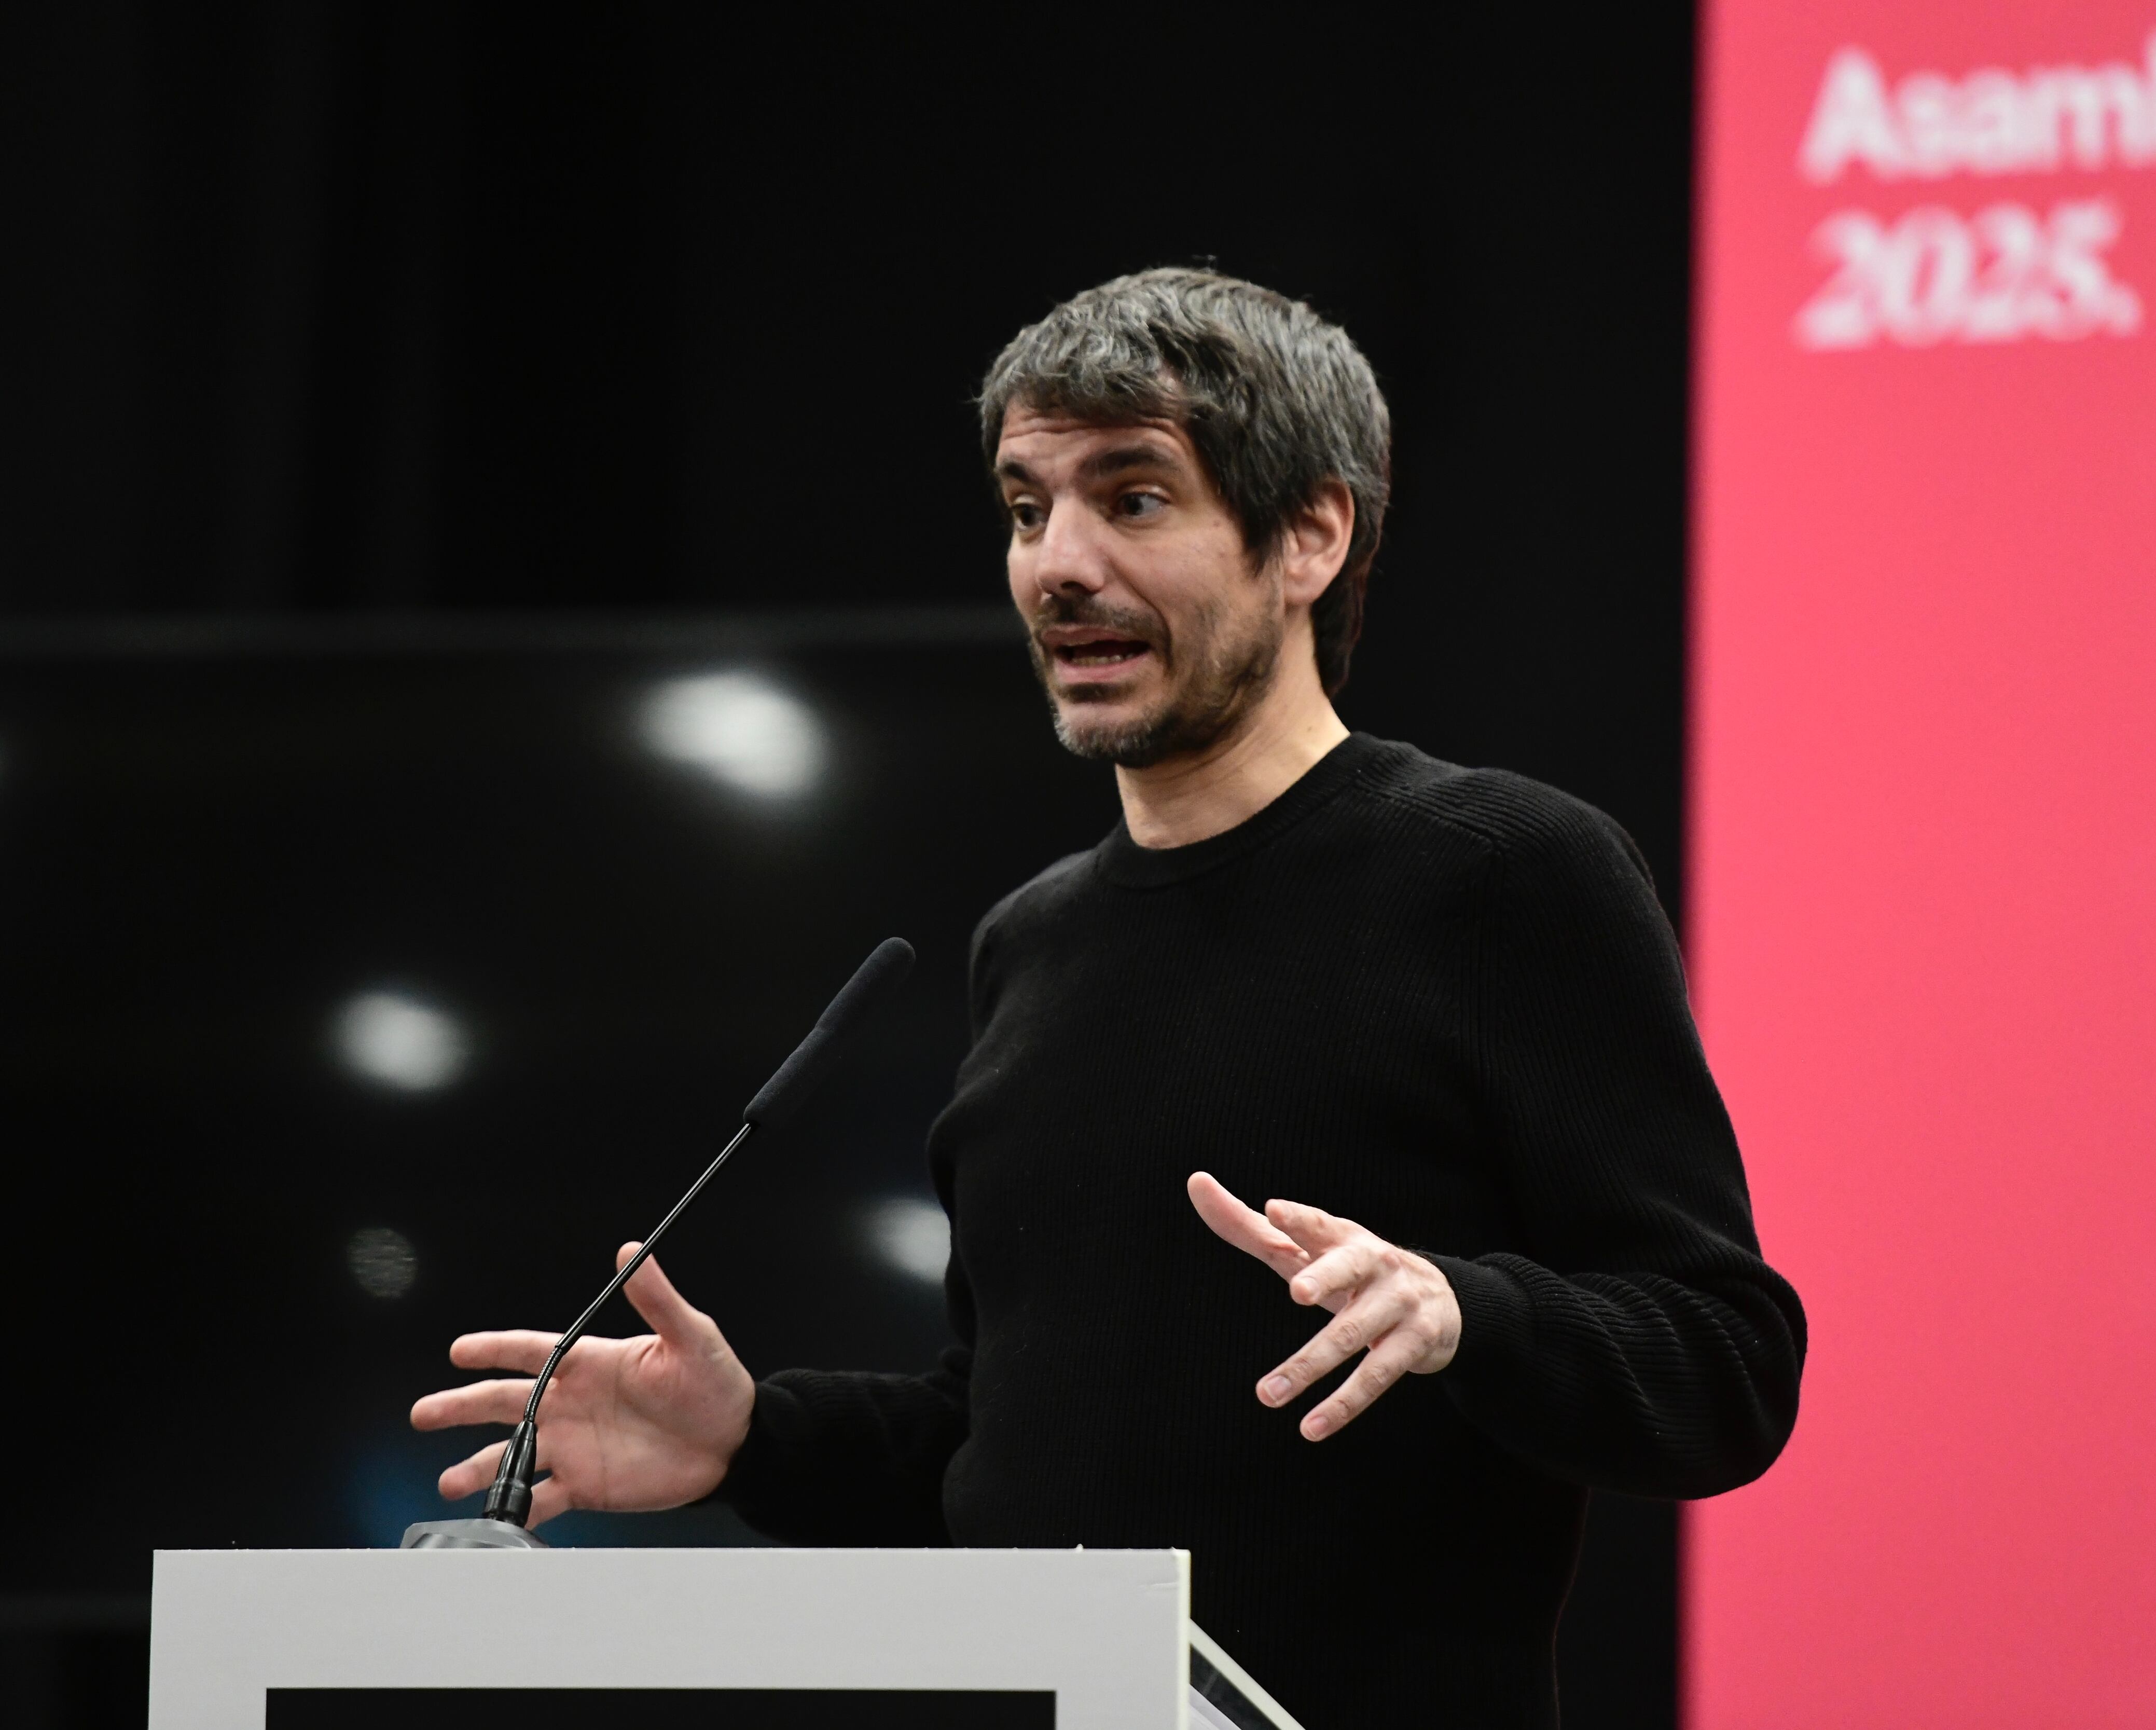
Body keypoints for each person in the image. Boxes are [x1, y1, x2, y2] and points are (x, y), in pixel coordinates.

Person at [412, 268, 1805, 1729]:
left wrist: (1463, 1310)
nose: (1056, 565)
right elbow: (1000, 1449)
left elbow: (1727, 1359)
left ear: (1311, 535)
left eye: (1133, 499)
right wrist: (756, 1438)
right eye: (1027, 508)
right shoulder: (1032, 942)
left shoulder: (1504, 874)